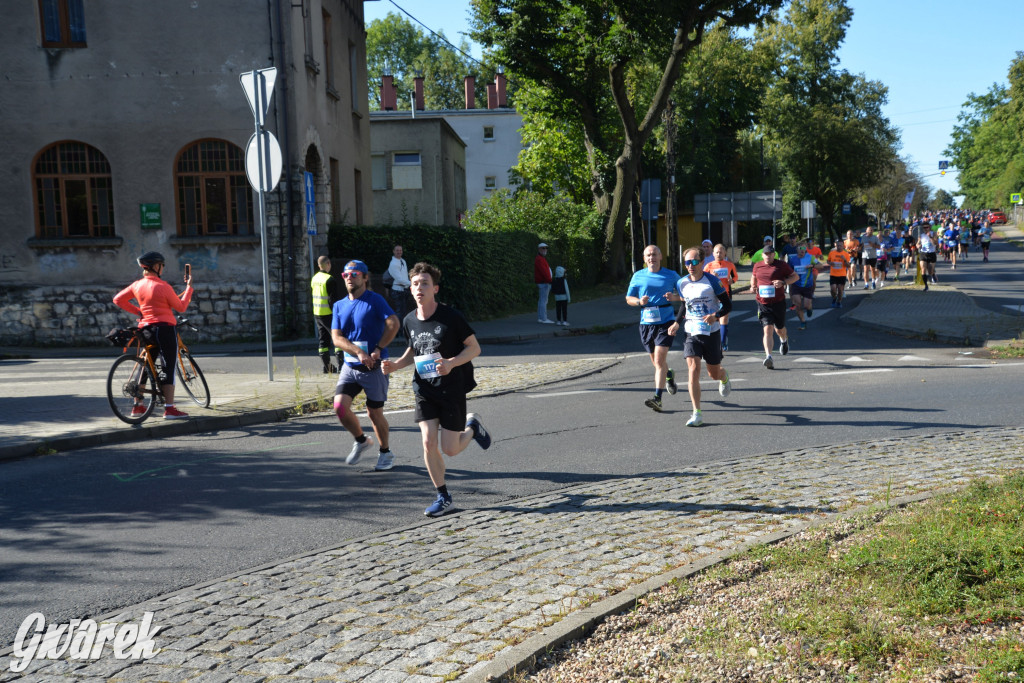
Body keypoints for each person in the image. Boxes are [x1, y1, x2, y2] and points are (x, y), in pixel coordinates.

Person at [381, 262, 491, 517]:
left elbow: (474, 348)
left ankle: (472, 427)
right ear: (411, 289)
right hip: (424, 388)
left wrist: (452, 363)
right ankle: (443, 496)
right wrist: (396, 365)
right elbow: (414, 350)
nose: (419, 288)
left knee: (450, 449)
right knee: (428, 441)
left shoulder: (450, 317)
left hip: (451, 389)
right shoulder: (409, 320)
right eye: (416, 284)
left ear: (435, 289)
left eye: (425, 283)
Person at [330, 260, 401, 472]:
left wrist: (379, 347)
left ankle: (386, 452)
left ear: (365, 277)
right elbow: (336, 338)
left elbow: (393, 323)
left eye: (355, 274)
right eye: (346, 275)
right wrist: (359, 352)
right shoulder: (339, 305)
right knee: (340, 407)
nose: (350, 278)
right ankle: (361, 441)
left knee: (374, 413)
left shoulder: (375, 300)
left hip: (374, 367)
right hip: (351, 367)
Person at [112, 251, 194, 419]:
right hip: (164, 329)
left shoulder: (136, 285)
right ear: (156, 266)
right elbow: (181, 307)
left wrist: (139, 312)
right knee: (168, 366)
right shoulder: (163, 286)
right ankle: (169, 408)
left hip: (146, 329)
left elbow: (118, 300)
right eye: (162, 265)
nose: (162, 268)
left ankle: (137, 406)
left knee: (146, 365)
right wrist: (189, 289)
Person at [666, 247, 733, 427]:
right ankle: (697, 413)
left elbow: (727, 305)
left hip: (711, 332)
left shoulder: (712, 281)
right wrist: (676, 323)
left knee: (713, 373)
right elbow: (684, 305)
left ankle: (724, 376)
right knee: (693, 368)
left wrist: (715, 316)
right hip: (691, 332)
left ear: (702, 262)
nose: (690, 265)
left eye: (694, 262)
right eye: (687, 262)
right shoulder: (682, 283)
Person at [626, 245, 682, 412]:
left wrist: (674, 297)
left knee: (658, 361)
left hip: (666, 322)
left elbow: (687, 294)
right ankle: (669, 375)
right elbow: (629, 298)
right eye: (648, 255)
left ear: (660, 256)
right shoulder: (638, 276)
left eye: (654, 255)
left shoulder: (671, 275)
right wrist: (639, 302)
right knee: (658, 363)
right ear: (644, 259)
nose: (652, 258)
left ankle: (657, 398)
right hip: (646, 323)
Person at [748, 243, 798, 369]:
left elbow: (795, 277)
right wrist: (752, 286)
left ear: (774, 254)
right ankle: (768, 356)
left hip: (778, 302)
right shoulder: (758, 266)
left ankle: (784, 340)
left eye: (770, 254)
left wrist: (783, 282)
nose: (768, 256)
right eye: (766, 254)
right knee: (767, 329)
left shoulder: (781, 265)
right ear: (762, 255)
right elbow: (753, 277)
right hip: (763, 303)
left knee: (779, 329)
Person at [702, 244, 738, 351]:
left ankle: (722, 342)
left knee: (724, 318)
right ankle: (715, 339)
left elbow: (735, 276)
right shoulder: (709, 266)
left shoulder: (730, 265)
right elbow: (703, 279)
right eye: (717, 252)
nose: (719, 254)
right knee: (714, 319)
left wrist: (732, 281)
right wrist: (712, 278)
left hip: (725, 295)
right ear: (713, 254)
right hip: (712, 296)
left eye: (721, 252)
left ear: (725, 253)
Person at [311, 255, 342, 374]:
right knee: (337, 338)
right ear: (328, 263)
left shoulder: (314, 278)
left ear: (319, 265)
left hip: (317, 313)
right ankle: (341, 366)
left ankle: (327, 367)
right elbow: (332, 300)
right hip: (329, 314)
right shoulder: (330, 279)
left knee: (323, 340)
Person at [787, 242, 824, 330]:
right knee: (798, 304)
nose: (802, 250)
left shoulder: (810, 257)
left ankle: (809, 309)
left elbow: (821, 265)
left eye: (804, 249)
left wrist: (812, 265)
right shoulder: (792, 259)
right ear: (797, 250)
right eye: (800, 249)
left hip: (808, 285)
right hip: (796, 285)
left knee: (807, 305)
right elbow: (788, 270)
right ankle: (803, 322)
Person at [385, 245, 412, 338]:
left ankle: (401, 331)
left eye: (400, 250)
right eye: (397, 250)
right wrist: (412, 283)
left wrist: (409, 284)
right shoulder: (393, 264)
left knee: (403, 312)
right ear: (393, 251)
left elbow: (404, 276)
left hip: (403, 290)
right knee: (400, 312)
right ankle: (397, 333)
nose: (399, 252)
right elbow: (399, 279)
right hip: (397, 290)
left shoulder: (403, 261)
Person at [826, 240, 851, 308]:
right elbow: (828, 261)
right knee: (833, 289)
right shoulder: (832, 253)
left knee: (840, 290)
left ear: (843, 246)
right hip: (833, 274)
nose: (839, 247)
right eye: (838, 245)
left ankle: (839, 301)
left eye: (840, 245)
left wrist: (845, 260)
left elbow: (848, 266)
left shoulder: (846, 254)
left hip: (842, 275)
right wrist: (830, 263)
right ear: (836, 245)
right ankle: (834, 298)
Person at [534, 243, 554, 324]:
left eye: (546, 248)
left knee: (541, 300)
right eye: (543, 248)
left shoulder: (541, 258)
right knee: (544, 301)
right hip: (544, 282)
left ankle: (540, 318)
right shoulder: (540, 259)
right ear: (539, 249)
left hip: (544, 281)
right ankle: (544, 318)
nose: (545, 249)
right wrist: (550, 280)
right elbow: (544, 271)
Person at [917, 225, 938, 289]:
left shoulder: (933, 233)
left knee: (930, 271)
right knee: (923, 269)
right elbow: (917, 243)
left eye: (927, 227)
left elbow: (935, 243)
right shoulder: (921, 235)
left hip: (932, 253)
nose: (925, 229)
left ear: (929, 228)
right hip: (923, 253)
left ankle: (933, 274)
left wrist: (930, 237)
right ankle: (926, 285)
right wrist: (918, 245)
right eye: (924, 228)